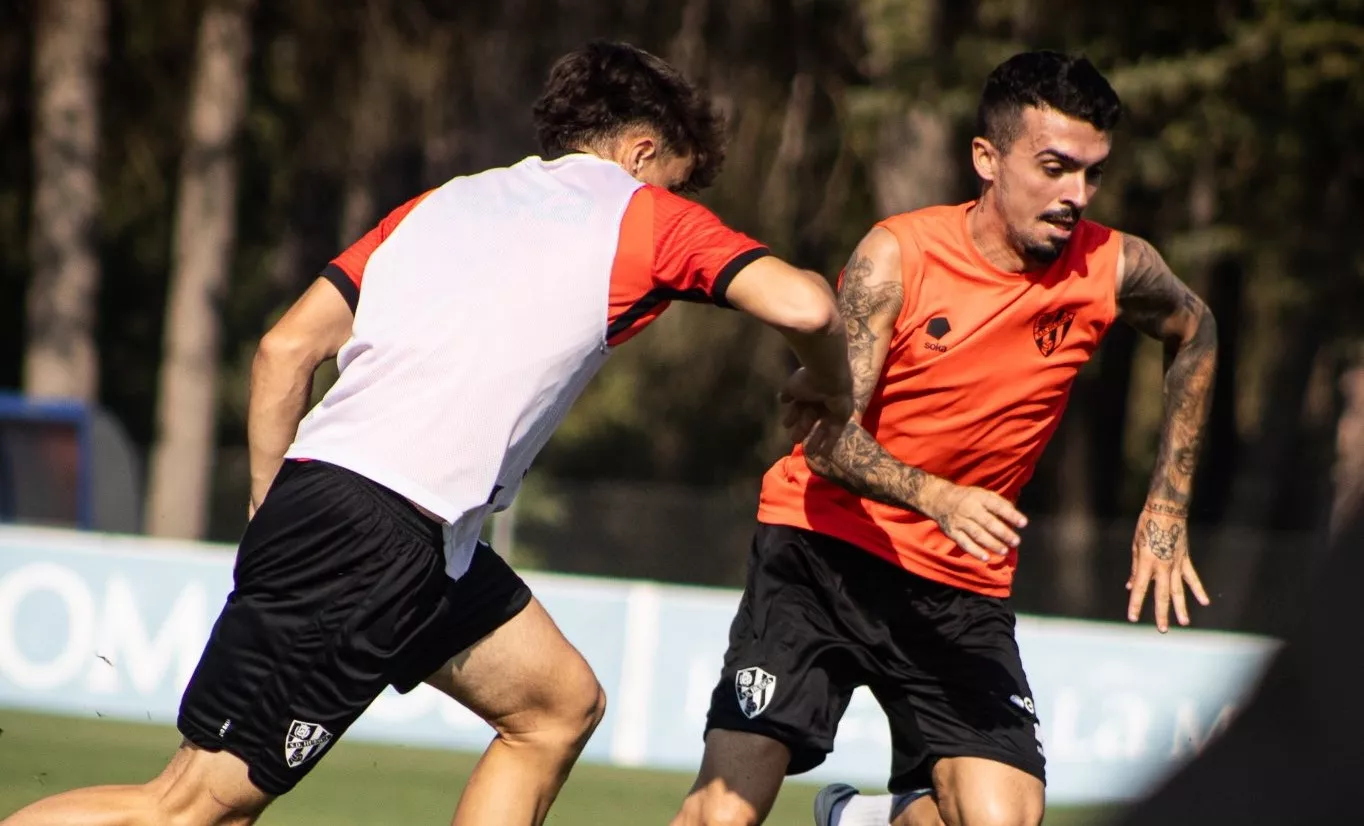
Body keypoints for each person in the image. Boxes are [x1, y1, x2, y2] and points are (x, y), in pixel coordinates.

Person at [2, 41, 853, 826]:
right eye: (676, 175)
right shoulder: (644, 214)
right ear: (638, 151)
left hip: (399, 528)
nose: (675, 198)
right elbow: (809, 304)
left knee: (555, 706)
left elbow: (284, 350)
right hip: (373, 524)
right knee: (189, 805)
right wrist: (825, 378)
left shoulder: (441, 204)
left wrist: (275, 507)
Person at [668, 50, 1219, 826]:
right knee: (721, 817)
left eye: (1092, 174)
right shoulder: (898, 255)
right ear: (986, 159)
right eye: (1055, 167)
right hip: (821, 552)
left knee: (1004, 821)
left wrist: (1167, 505)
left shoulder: (1116, 265)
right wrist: (936, 495)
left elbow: (1197, 332)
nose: (1075, 196)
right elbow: (827, 439)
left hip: (960, 585)